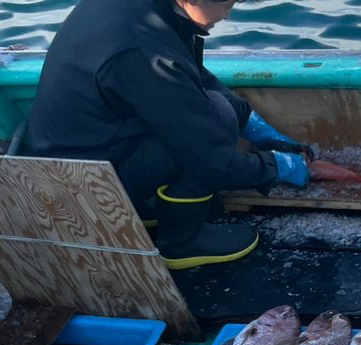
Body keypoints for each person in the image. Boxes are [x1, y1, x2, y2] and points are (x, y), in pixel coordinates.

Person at [27, 0, 313, 269]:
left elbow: (191, 77)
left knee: (215, 112)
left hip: (77, 153)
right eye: (224, 5)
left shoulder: (147, 12)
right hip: (85, 187)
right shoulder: (144, 51)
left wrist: (255, 125)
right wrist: (282, 167)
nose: (227, 15)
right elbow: (215, 161)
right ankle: (182, 243)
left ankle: (143, 207)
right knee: (217, 120)